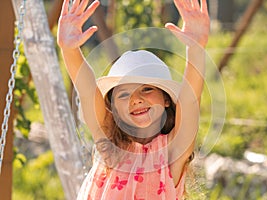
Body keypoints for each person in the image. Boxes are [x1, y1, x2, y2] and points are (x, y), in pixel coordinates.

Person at [57, 0, 210, 199]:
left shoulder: (171, 153)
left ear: (166, 100)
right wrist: (70, 50)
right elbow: (87, 90)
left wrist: (196, 49)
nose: (136, 99)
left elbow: (190, 99)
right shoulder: (110, 144)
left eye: (146, 89)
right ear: (113, 108)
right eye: (123, 94)